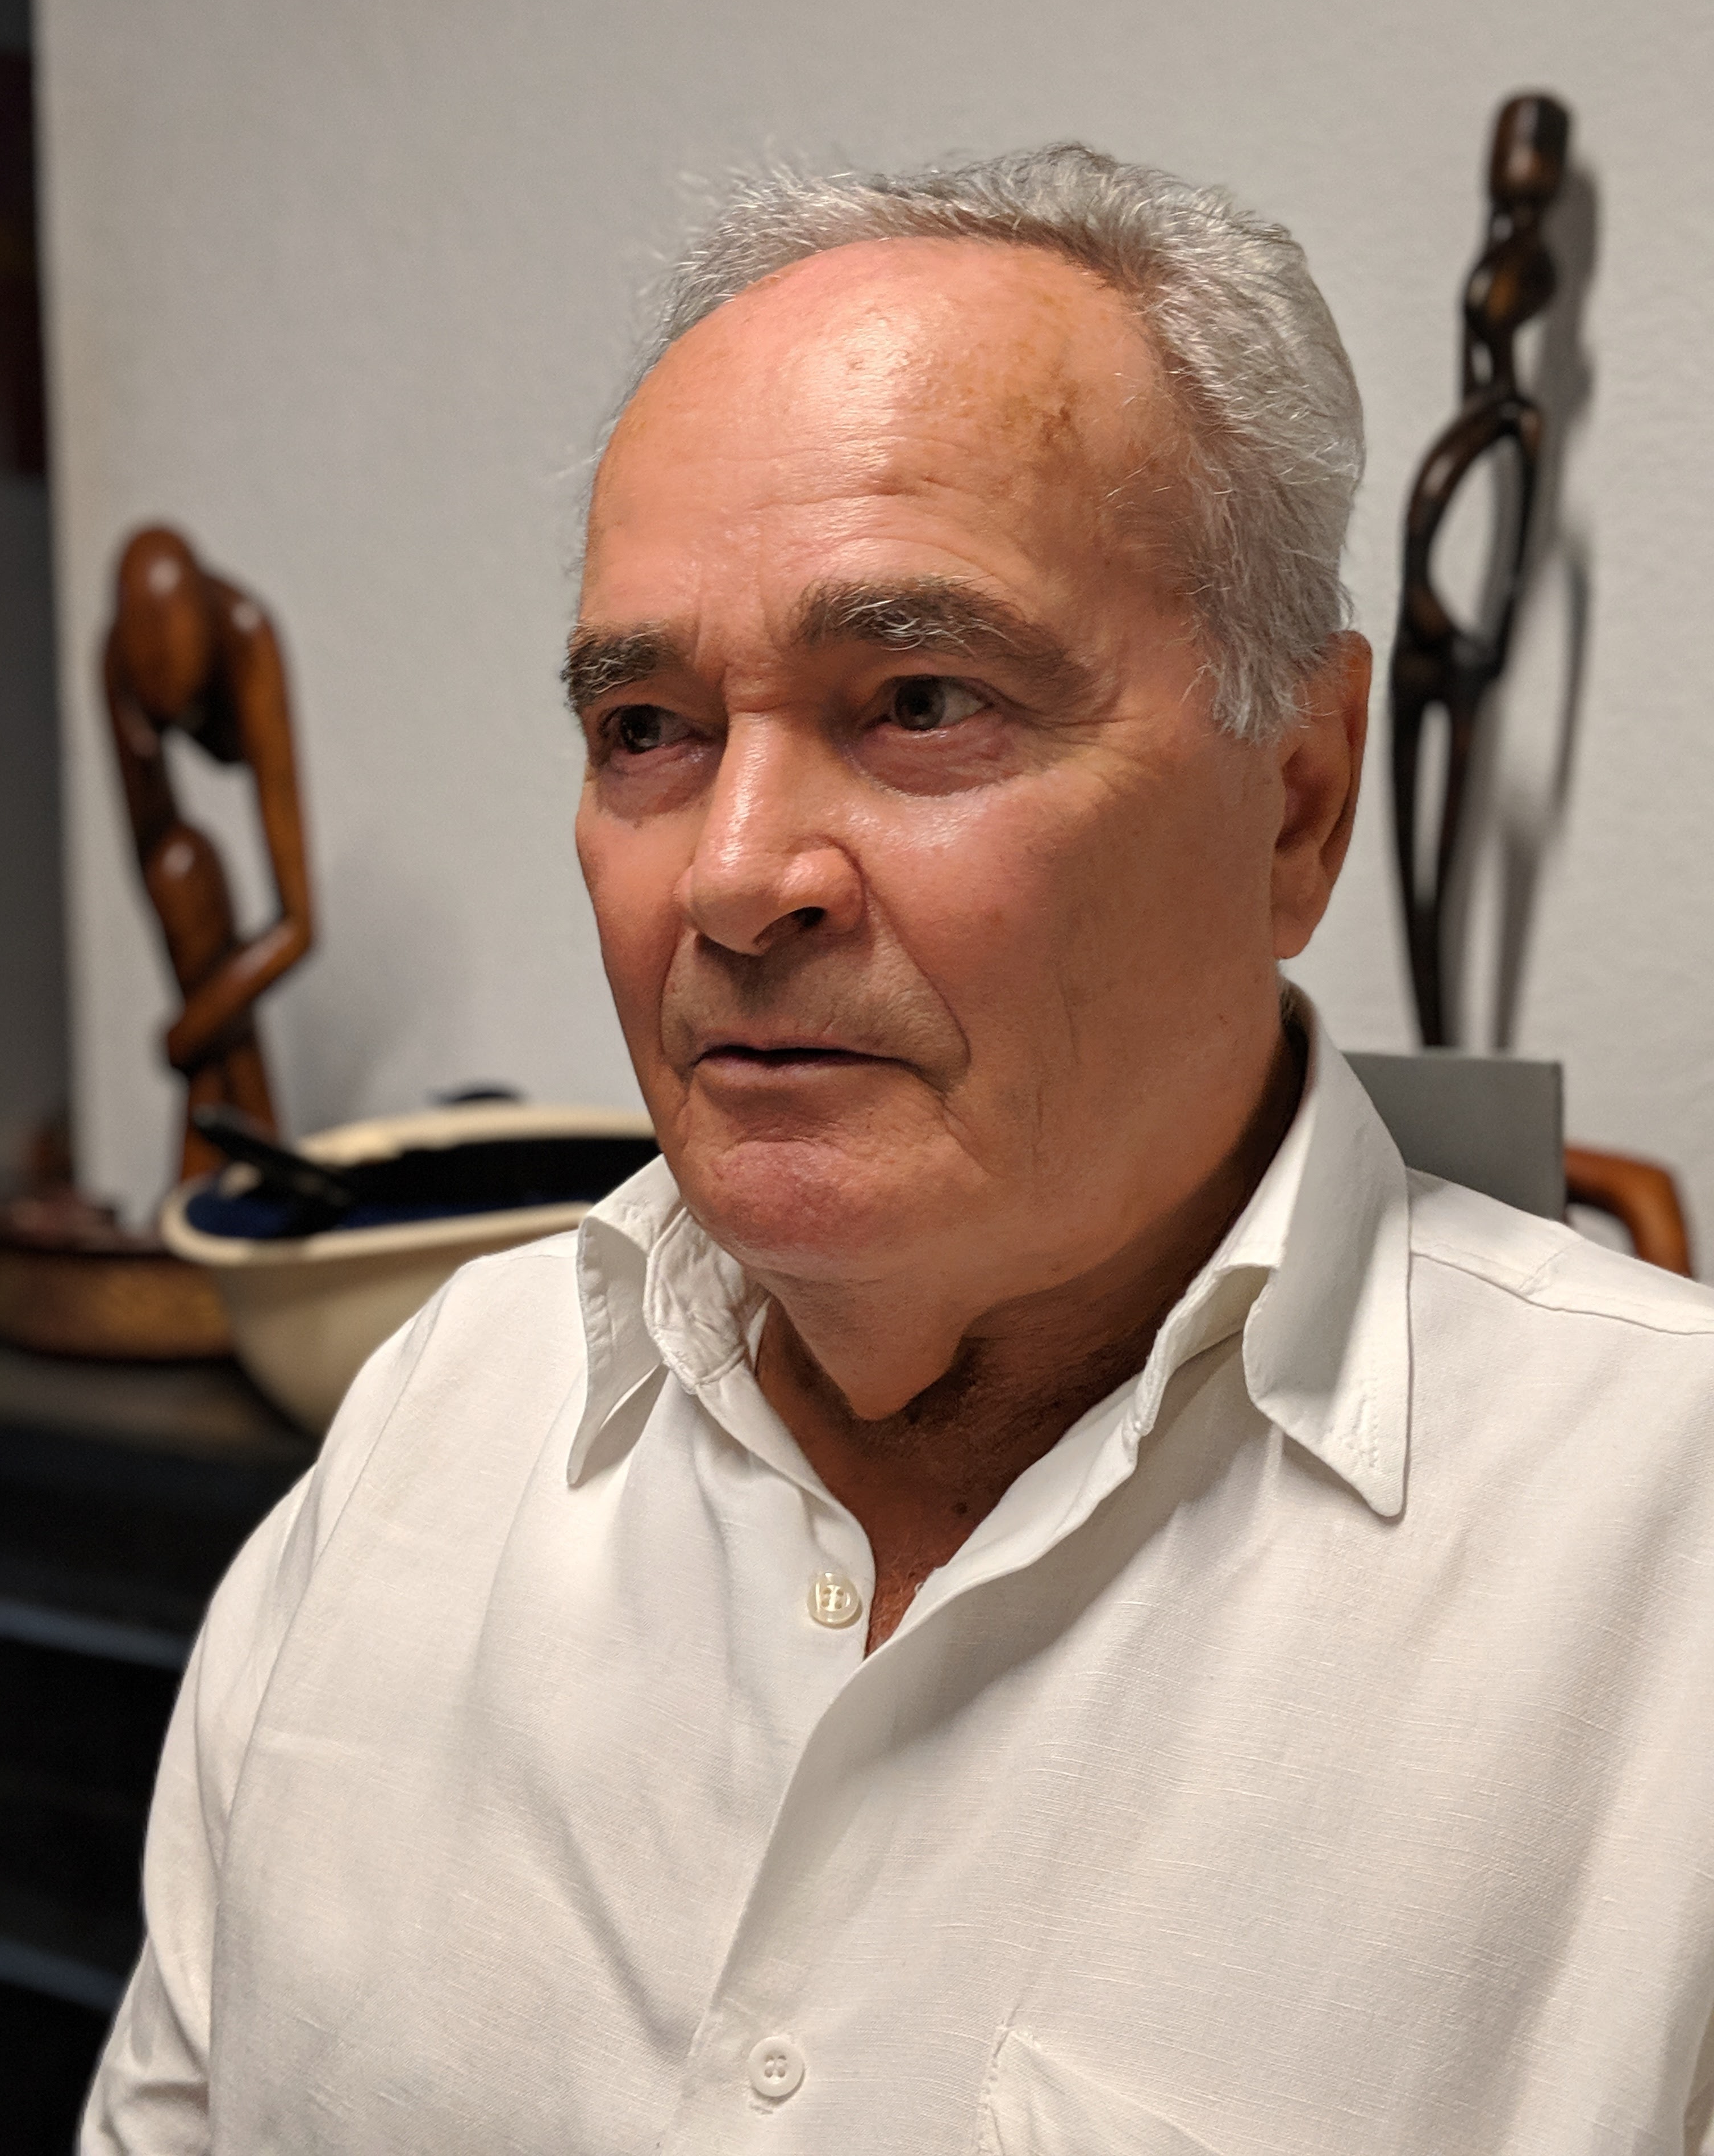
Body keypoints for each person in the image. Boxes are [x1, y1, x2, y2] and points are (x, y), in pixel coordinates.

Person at [84, 147, 1714, 2155]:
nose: (734, 875)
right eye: (647, 729)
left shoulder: (1664, 1581)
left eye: (922, 701)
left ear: (1297, 797)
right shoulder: (439, 1423)